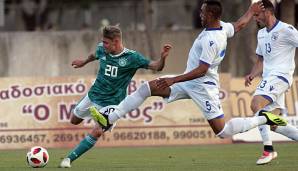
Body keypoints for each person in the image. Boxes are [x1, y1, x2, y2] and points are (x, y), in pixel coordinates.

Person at [90, 0, 288, 150]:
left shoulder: (212, 40)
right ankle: (111, 118)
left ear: (210, 14)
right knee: (146, 88)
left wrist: (173, 79)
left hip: (203, 86)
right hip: (189, 80)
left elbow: (202, 70)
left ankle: (264, 119)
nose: (199, 14)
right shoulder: (221, 27)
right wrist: (250, 11)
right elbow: (239, 25)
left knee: (223, 132)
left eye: (202, 12)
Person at [59, 25, 172, 168]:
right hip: (93, 95)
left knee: (97, 131)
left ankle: (68, 159)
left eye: (106, 42)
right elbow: (94, 55)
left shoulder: (132, 58)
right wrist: (83, 62)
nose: (103, 45)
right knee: (74, 120)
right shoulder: (102, 49)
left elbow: (156, 67)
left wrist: (162, 58)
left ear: (116, 42)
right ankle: (94, 114)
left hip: (112, 104)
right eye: (103, 42)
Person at [245, 0, 298, 165]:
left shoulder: (287, 30)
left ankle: (268, 150)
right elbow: (260, 60)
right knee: (272, 123)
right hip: (269, 78)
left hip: (280, 76)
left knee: (255, 104)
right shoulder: (261, 34)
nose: (255, 18)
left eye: (257, 14)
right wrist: (252, 74)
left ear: (267, 12)